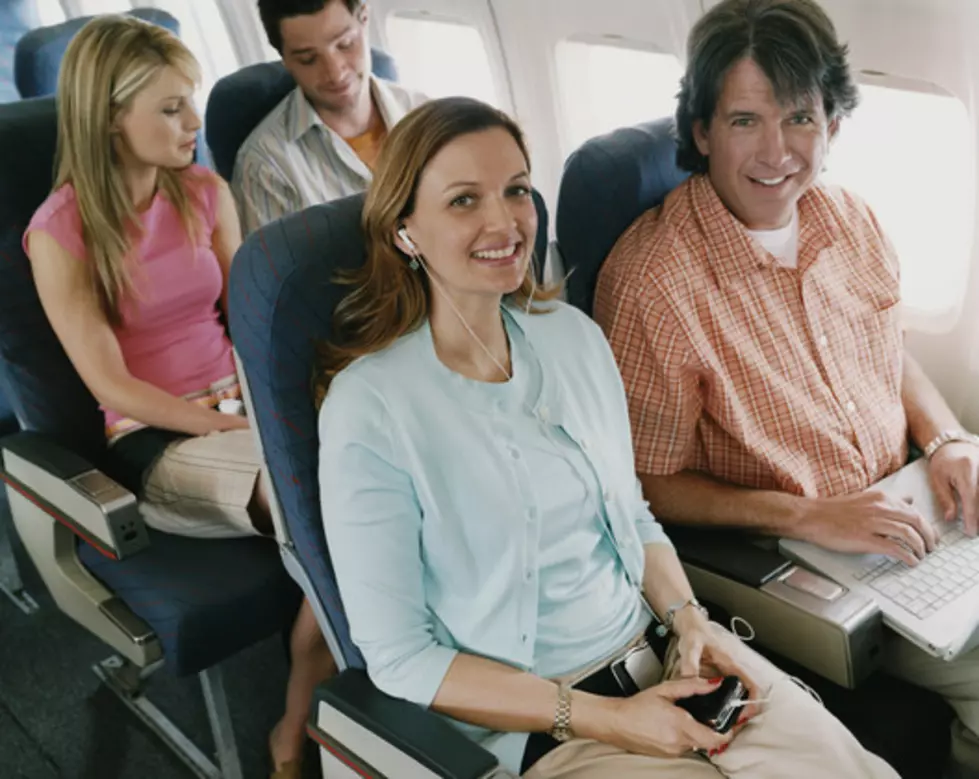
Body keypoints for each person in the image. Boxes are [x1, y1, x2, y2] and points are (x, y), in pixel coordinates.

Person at [315, 96, 896, 779]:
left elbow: (631, 513)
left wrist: (686, 622)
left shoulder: (572, 338)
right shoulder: (371, 406)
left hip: (662, 664)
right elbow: (399, 655)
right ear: (404, 229)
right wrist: (608, 718)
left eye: (516, 191)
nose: (503, 221)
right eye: (464, 201)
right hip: (545, 726)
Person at [594, 1, 979, 775]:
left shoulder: (849, 220)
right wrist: (815, 515)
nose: (777, 152)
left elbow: (887, 353)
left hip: (910, 505)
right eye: (744, 121)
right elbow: (643, 483)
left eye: (800, 116)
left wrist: (945, 438)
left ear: (832, 122)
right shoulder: (653, 284)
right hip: (804, 557)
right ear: (700, 131)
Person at [22, 16, 331, 779]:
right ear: (108, 118)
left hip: (241, 410)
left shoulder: (202, 190)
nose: (195, 122)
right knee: (326, 502)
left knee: (376, 482)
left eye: (190, 101)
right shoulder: (60, 232)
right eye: (169, 108)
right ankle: (296, 728)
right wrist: (221, 419)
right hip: (154, 441)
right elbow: (109, 384)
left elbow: (253, 320)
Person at [233, 0, 428, 234]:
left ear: (364, 19)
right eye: (308, 59)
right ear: (284, 58)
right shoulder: (265, 165)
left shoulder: (426, 114)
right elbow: (278, 270)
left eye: (345, 45)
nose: (335, 72)